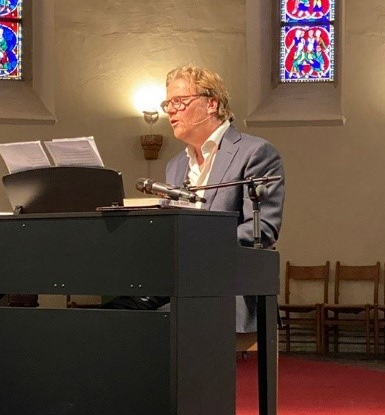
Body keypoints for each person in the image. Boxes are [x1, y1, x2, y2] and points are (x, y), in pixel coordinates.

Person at [104, 65, 285, 334]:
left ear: (212, 104)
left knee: (159, 326)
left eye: (179, 101)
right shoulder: (176, 165)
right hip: (177, 283)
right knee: (111, 316)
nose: (170, 111)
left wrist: (196, 248)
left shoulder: (255, 153)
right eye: (168, 104)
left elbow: (262, 229)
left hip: (227, 287)